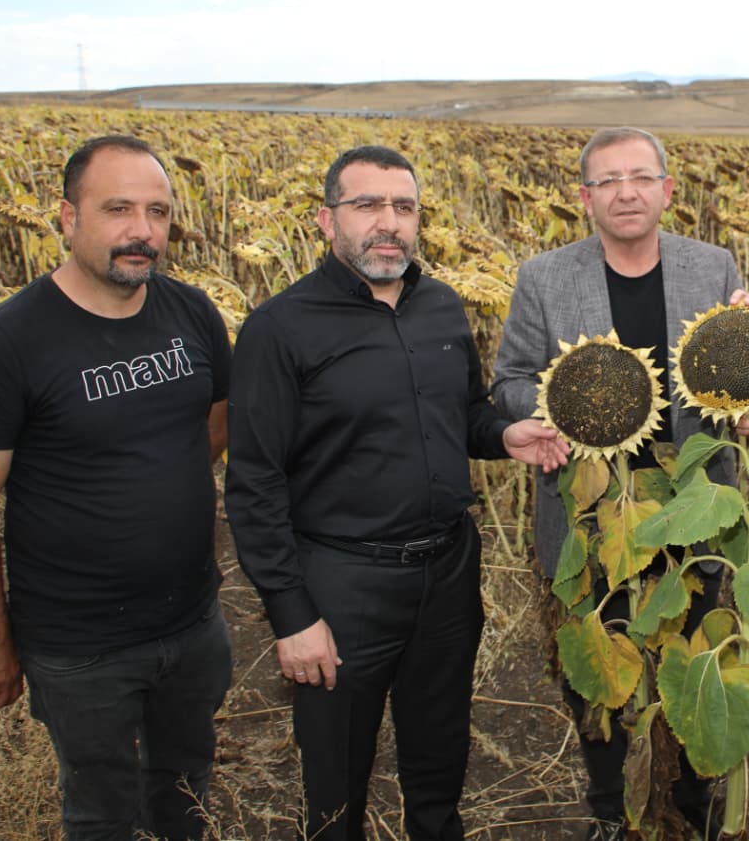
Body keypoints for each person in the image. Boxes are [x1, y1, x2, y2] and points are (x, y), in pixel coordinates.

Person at [224, 144, 567, 841]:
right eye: (368, 206)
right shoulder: (279, 329)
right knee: (335, 783)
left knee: (439, 764)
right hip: (343, 585)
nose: (389, 223)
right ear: (327, 221)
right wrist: (293, 617)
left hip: (447, 574)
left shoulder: (441, 306)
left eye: (404, 208)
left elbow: (463, 412)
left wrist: (504, 436)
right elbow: (252, 482)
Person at [0, 135, 233, 841]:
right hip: (81, 644)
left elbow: (212, 430)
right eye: (118, 209)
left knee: (186, 787)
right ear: (66, 218)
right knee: (101, 809)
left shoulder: (192, 314)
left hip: (193, 621)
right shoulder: (4, 344)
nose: (142, 232)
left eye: (158, 212)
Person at [491, 126, 745, 840]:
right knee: (596, 669)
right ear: (585, 198)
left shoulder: (713, 268)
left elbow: (741, 381)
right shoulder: (545, 277)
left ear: (667, 189)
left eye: (639, 177)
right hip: (588, 507)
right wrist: (558, 413)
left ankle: (685, 805)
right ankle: (610, 804)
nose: (625, 192)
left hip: (691, 505)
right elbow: (508, 380)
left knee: (691, 663)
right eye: (607, 181)